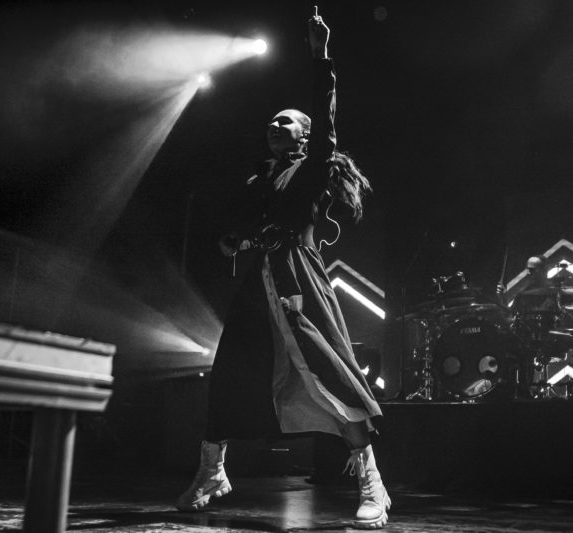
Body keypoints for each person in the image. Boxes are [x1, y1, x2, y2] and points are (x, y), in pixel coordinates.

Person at [176, 8, 390, 529]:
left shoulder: (312, 168)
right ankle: (212, 473)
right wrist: (235, 241)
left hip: (300, 282)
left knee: (331, 377)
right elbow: (241, 231)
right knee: (228, 377)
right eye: (272, 121)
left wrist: (320, 57)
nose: (275, 125)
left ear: (306, 136)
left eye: (286, 121)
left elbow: (325, 118)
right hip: (259, 284)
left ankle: (373, 485)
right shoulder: (259, 183)